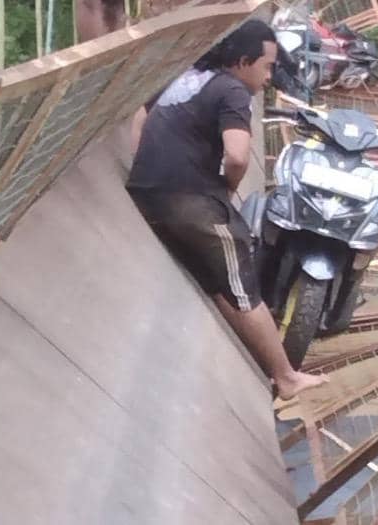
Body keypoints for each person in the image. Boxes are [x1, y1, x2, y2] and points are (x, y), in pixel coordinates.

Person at [127, 19, 329, 399]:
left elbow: (140, 115)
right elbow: (237, 156)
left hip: (145, 190)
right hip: (186, 201)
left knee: (217, 277)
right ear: (241, 61)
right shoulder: (232, 90)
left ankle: (263, 355)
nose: (269, 77)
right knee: (244, 281)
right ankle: (287, 377)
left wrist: (144, 163)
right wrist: (227, 189)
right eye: (267, 66)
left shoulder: (188, 76)